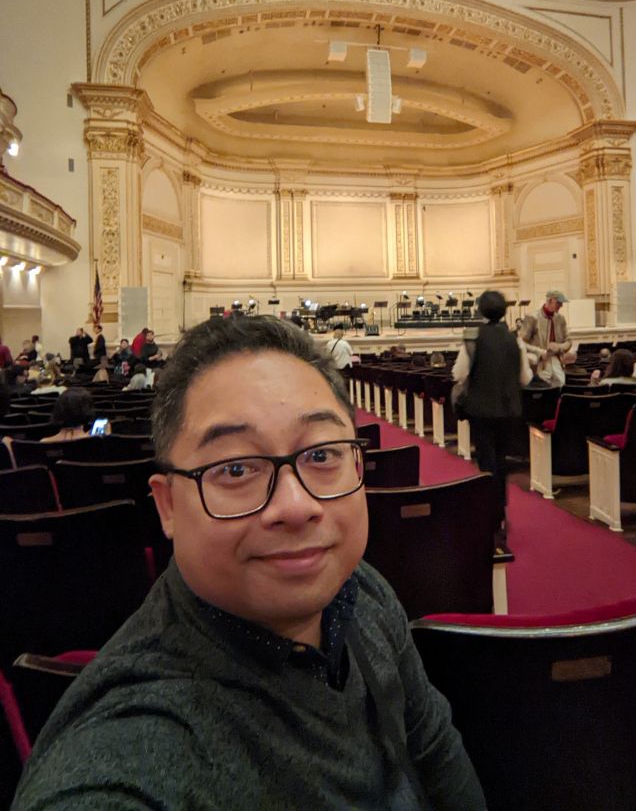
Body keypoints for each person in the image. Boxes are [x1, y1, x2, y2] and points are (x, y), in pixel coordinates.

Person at [13, 315, 485, 810]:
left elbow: (436, 753)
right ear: (167, 505)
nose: (296, 506)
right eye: (236, 468)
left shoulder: (360, 589)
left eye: (322, 455)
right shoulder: (125, 753)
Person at [453, 290, 532, 534]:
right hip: (508, 411)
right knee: (501, 461)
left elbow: (459, 374)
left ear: (480, 310)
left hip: (481, 411)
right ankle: (499, 510)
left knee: (487, 463)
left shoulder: (472, 338)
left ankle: (491, 515)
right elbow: (526, 378)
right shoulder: (515, 340)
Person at [520, 289, 572, 387]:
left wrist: (559, 346)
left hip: (556, 360)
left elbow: (569, 341)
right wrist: (539, 351)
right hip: (539, 363)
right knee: (541, 389)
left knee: (560, 385)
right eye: (559, 302)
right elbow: (521, 343)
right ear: (550, 300)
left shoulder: (560, 319)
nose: (561, 305)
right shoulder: (532, 317)